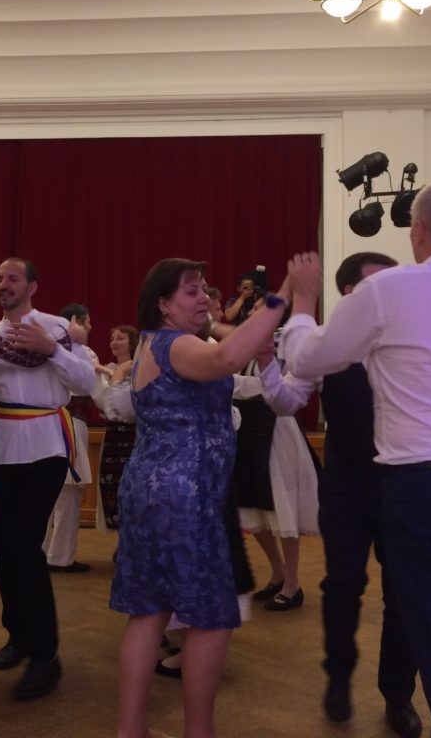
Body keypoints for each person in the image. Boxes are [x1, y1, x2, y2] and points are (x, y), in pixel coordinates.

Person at [282, 177, 431, 738]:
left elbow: (310, 358)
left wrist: (301, 303)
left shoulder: (388, 290)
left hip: (430, 490)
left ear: (418, 231)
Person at [111, 258, 289, 738]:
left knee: (149, 610)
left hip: (153, 490)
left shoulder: (156, 341)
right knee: (210, 618)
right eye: (191, 291)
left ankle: (131, 730)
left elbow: (226, 340)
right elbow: (226, 359)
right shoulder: (176, 344)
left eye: (204, 289)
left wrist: (253, 326)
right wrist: (283, 298)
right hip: (184, 498)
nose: (203, 298)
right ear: (163, 304)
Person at [311, 252, 421, 737]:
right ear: (350, 293)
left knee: (404, 595)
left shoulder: (412, 343)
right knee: (342, 585)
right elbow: (287, 395)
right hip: (346, 487)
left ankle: (398, 694)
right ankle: (338, 675)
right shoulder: (329, 345)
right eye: (380, 283)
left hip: (404, 486)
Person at [0, 257, 96, 700]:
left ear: (32, 286)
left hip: (46, 443)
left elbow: (86, 382)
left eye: (12, 278)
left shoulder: (57, 328)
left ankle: (47, 655)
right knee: (3, 551)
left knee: (23, 547)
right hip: (1, 444)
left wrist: (51, 349)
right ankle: (19, 634)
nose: (4, 284)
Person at [233, 327, 319, 613]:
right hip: (247, 430)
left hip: (276, 430)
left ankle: (292, 583)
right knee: (252, 506)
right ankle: (278, 572)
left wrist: (231, 381)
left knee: (284, 507)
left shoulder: (284, 342)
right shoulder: (242, 343)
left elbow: (277, 386)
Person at [43, 302, 97, 573]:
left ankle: (41, 550)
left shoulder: (46, 348)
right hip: (70, 424)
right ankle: (60, 556)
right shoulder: (82, 352)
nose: (90, 327)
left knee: (46, 490)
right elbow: (94, 389)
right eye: (87, 322)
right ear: (76, 321)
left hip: (45, 423)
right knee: (68, 492)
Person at [92, 325, 138, 531]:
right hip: (113, 436)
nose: (114, 342)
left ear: (132, 342)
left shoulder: (141, 367)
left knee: (136, 488)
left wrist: (110, 373)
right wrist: (110, 372)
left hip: (137, 435)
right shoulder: (106, 369)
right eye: (112, 338)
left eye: (120, 338)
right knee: (113, 487)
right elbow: (104, 402)